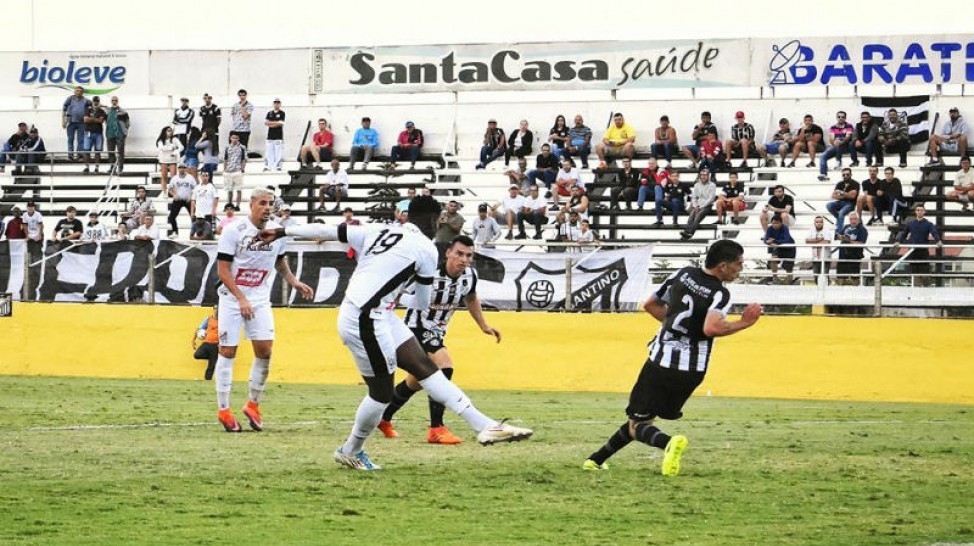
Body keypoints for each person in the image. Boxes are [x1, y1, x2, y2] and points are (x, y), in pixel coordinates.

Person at [259, 196, 533, 469]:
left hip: (378, 313)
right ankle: (351, 450)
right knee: (381, 394)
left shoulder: (379, 230)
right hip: (364, 319)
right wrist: (409, 292)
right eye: (438, 220)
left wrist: (281, 230)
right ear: (432, 220)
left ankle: (484, 425)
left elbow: (326, 230)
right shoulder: (426, 250)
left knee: (426, 368)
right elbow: (423, 304)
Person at [583, 239, 762, 475]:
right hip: (692, 370)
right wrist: (745, 323)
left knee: (638, 423)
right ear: (722, 266)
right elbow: (712, 328)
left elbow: (651, 305)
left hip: (661, 362)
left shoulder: (683, 273)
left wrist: (740, 323)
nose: (741, 268)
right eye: (738, 264)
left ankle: (668, 443)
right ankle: (595, 460)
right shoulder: (719, 293)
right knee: (640, 419)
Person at [377, 235, 502, 444]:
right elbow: (397, 291)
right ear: (448, 253)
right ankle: (436, 428)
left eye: (469, 255)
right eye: (459, 254)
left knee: (414, 382)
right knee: (444, 365)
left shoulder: (470, 276)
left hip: (437, 332)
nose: (463, 259)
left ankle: (384, 418)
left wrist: (484, 326)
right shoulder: (428, 272)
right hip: (415, 328)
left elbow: (471, 298)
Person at [214, 188, 314, 432]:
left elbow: (280, 261)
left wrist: (294, 281)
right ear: (251, 205)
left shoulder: (278, 231)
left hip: (259, 297)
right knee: (227, 351)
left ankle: (252, 404)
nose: (268, 207)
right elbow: (223, 271)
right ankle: (224, 410)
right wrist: (240, 299)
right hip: (231, 298)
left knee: (265, 351)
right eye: (263, 203)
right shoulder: (233, 231)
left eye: (271, 203)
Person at [895, 204, 943, 285]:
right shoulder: (910, 223)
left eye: (921, 210)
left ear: (924, 212)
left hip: (923, 250)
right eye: (918, 210)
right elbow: (904, 234)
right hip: (912, 250)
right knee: (914, 270)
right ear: (915, 212)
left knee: (924, 270)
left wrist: (938, 240)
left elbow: (934, 232)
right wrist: (898, 241)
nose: (919, 212)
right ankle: (916, 287)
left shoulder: (928, 224)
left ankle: (926, 287)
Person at [818, 111, 857, 180]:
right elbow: (831, 139)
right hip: (835, 146)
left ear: (845, 118)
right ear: (837, 117)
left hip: (846, 146)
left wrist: (840, 141)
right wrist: (835, 143)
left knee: (838, 142)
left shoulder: (849, 126)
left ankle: (838, 161)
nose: (840, 118)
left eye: (843, 117)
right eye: (839, 117)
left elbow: (848, 137)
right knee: (822, 156)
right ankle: (823, 174)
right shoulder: (833, 127)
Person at [680, 171, 717, 240]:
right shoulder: (696, 185)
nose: (703, 177)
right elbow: (694, 197)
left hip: (707, 205)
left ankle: (690, 233)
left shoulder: (712, 185)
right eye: (702, 175)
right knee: (691, 216)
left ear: (708, 176)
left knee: (698, 215)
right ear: (700, 176)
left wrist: (701, 206)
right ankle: (686, 233)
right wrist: (695, 206)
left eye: (705, 175)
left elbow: (711, 198)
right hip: (698, 205)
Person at [835, 212, 868, 283]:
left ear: (858, 219)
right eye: (851, 219)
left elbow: (862, 243)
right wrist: (840, 237)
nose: (852, 221)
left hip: (854, 255)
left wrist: (849, 241)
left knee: (855, 277)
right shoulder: (846, 227)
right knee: (840, 276)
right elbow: (837, 236)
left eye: (854, 219)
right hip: (842, 255)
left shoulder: (862, 229)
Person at [763, 214, 796, 283]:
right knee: (773, 259)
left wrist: (775, 241)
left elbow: (786, 240)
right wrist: (768, 242)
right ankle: (775, 277)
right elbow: (765, 240)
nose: (775, 225)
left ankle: (789, 279)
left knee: (788, 266)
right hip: (778, 248)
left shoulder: (785, 228)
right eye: (773, 223)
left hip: (789, 248)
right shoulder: (770, 228)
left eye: (777, 223)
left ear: (781, 223)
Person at [62, 86, 91, 161]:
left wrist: (88, 117)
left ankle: (80, 155)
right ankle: (70, 155)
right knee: (70, 139)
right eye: (77, 90)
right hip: (71, 122)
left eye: (80, 91)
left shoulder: (86, 100)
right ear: (74, 91)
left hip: (82, 123)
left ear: (83, 92)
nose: (79, 92)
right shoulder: (70, 99)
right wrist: (63, 121)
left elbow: (93, 106)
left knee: (81, 139)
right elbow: (64, 109)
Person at [826, 168, 860, 233]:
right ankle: (839, 219)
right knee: (829, 205)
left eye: (847, 174)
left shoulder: (855, 183)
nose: (845, 176)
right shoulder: (840, 183)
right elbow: (833, 196)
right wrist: (847, 194)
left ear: (851, 175)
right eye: (843, 175)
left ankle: (839, 232)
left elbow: (853, 196)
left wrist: (841, 193)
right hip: (840, 203)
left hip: (850, 204)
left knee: (841, 213)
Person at [167, 164, 196, 238]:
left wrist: (191, 195)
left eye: (183, 168)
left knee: (193, 216)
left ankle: (194, 232)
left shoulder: (190, 178)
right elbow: (170, 189)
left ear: (185, 169)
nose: (182, 169)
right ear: (178, 169)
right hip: (178, 199)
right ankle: (175, 232)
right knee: (171, 217)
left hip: (188, 200)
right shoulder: (174, 178)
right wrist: (174, 195)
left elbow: (195, 189)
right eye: (180, 168)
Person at [194, 305, 220, 380]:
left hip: (216, 344)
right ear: (213, 310)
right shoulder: (208, 319)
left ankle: (207, 381)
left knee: (211, 366)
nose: (217, 311)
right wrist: (193, 340)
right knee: (197, 355)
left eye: (218, 309)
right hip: (207, 343)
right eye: (215, 309)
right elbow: (199, 328)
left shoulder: (223, 320)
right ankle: (212, 357)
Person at [805, 215, 833, 283]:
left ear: (823, 223)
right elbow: (807, 241)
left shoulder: (827, 230)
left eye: (820, 222)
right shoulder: (811, 230)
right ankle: (818, 292)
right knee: (816, 277)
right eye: (817, 222)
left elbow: (826, 242)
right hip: (815, 258)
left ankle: (826, 291)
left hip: (825, 257)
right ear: (814, 223)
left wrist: (813, 241)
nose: (819, 223)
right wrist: (819, 240)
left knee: (825, 277)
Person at [82, 96, 106, 174]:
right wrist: (96, 119)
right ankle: (86, 167)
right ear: (92, 101)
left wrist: (91, 119)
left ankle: (96, 168)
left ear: (99, 102)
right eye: (94, 101)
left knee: (98, 151)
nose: (95, 102)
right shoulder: (88, 109)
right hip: (88, 133)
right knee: (86, 151)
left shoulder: (101, 110)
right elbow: (85, 119)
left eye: (97, 101)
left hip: (98, 133)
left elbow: (101, 120)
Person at [156, 126, 184, 195]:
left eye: (171, 131)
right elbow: (162, 148)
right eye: (168, 130)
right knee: (164, 176)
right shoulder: (161, 140)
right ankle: (164, 192)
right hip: (163, 160)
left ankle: (173, 192)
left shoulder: (174, 139)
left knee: (173, 177)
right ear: (164, 131)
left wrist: (175, 151)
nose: (170, 132)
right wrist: (172, 147)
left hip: (172, 160)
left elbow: (182, 147)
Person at [105, 96, 130, 174]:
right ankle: (112, 167)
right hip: (110, 133)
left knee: (120, 151)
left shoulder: (123, 111)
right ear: (111, 101)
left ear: (117, 101)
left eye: (115, 100)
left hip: (120, 133)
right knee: (111, 151)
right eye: (113, 100)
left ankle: (120, 168)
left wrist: (125, 132)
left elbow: (127, 122)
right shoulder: (108, 111)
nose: (114, 101)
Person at [223, 133, 247, 208]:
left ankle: (238, 205)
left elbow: (244, 159)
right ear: (230, 138)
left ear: (238, 139)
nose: (234, 139)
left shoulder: (242, 147)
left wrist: (242, 168)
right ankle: (230, 204)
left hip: (237, 170)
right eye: (233, 138)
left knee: (239, 189)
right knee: (229, 189)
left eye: (236, 138)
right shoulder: (227, 147)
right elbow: (225, 159)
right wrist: (225, 168)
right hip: (229, 171)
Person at [263, 99, 286, 172]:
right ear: (273, 104)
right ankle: (268, 166)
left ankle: (278, 166)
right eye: (275, 103)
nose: (276, 105)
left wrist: (271, 124)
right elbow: (266, 123)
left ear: (280, 104)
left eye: (278, 103)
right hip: (270, 135)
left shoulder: (282, 113)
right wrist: (275, 123)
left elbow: (281, 123)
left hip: (278, 135)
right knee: (269, 151)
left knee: (278, 151)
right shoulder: (269, 113)